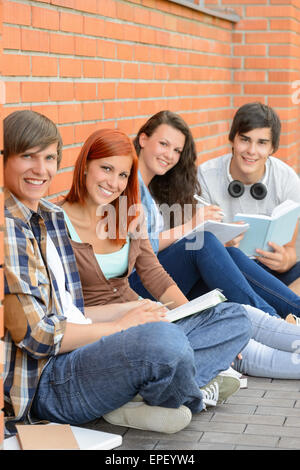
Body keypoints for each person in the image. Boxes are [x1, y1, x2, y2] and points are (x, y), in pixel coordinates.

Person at [3, 110, 250, 437]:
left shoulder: (45, 218)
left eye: (49, 158)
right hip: (47, 380)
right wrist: (121, 324)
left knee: (234, 316)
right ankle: (186, 390)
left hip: (94, 342)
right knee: (165, 341)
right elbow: (38, 336)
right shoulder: (22, 228)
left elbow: (72, 310)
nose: (41, 169)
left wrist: (137, 311)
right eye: (28, 157)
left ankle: (140, 394)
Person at [129, 109, 300, 379]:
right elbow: (135, 247)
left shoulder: (153, 187)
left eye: (176, 150)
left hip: (160, 279)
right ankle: (276, 323)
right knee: (203, 242)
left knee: (223, 251)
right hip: (136, 287)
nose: (169, 155)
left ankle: (286, 320)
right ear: (143, 139)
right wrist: (191, 227)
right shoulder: (127, 183)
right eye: (163, 144)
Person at [198, 102, 300, 296]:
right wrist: (222, 245)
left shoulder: (288, 180)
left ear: (272, 148)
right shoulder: (205, 175)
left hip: (269, 271)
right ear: (233, 140)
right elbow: (196, 246)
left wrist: (284, 260)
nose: (251, 151)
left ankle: (271, 308)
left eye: (262, 143)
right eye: (245, 140)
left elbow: (290, 251)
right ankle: (282, 311)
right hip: (227, 270)